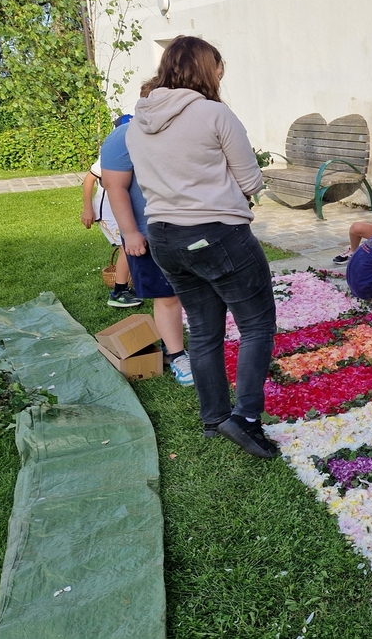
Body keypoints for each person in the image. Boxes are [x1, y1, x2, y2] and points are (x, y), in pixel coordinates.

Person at [125, 35, 278, 459]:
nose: (220, 77)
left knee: (204, 330)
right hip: (217, 234)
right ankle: (245, 420)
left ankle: (214, 419)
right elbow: (251, 181)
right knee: (257, 326)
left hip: (164, 236)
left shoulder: (137, 121)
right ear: (206, 70)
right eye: (218, 69)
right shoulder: (214, 113)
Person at [101, 109, 194, 388]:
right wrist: (131, 233)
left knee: (195, 291)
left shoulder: (189, 126)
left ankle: (184, 345)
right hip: (149, 232)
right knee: (167, 295)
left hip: (192, 227)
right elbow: (114, 187)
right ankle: (176, 355)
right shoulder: (122, 137)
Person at [81, 148, 140, 308]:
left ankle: (132, 285)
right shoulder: (114, 153)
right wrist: (87, 209)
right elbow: (89, 180)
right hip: (107, 213)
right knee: (126, 248)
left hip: (123, 210)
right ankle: (119, 292)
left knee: (131, 247)